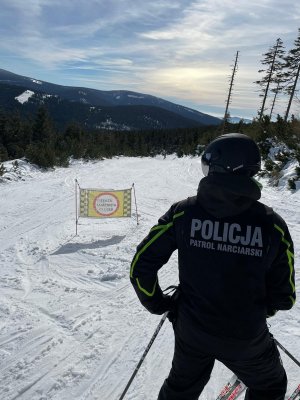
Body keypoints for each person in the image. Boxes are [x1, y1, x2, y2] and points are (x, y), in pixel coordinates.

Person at [130, 133, 296, 400]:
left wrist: (158, 302)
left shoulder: (183, 213)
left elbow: (141, 265)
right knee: (270, 386)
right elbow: (285, 296)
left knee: (180, 389)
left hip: (192, 330)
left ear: (220, 168)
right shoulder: (272, 225)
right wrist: (262, 310)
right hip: (246, 338)